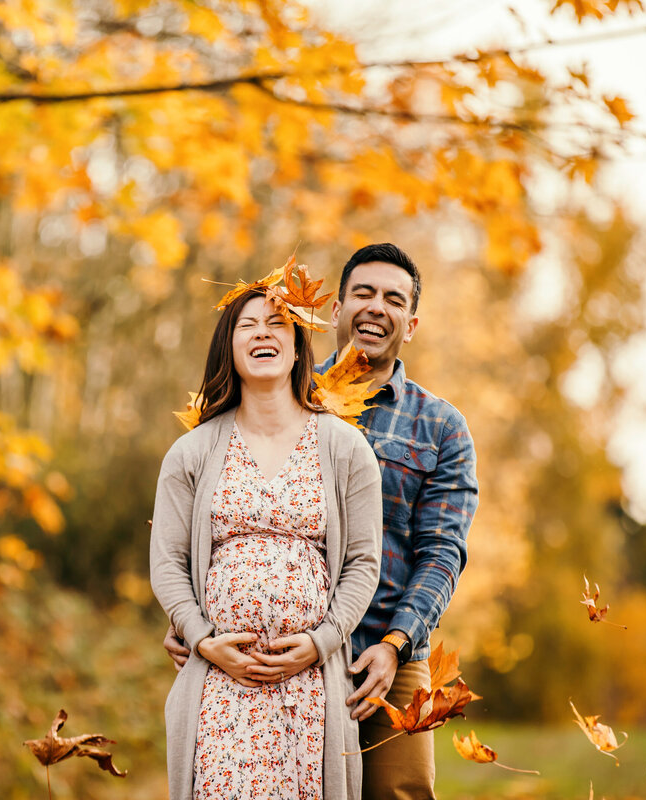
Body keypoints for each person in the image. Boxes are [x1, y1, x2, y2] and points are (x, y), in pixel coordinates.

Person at [165, 244, 479, 800]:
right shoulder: (274, 383)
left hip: (381, 650)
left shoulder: (440, 427)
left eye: (393, 299)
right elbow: (198, 521)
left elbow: (442, 552)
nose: (375, 307)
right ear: (336, 310)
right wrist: (191, 617)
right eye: (362, 293)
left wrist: (397, 643)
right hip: (267, 654)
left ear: (411, 323)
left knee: (401, 793)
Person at [149, 286, 383, 800]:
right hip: (220, 689)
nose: (262, 333)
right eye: (246, 325)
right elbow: (167, 562)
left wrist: (321, 642)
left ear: (298, 348)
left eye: (277, 324)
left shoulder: (346, 448)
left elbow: (364, 563)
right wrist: (202, 639)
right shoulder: (191, 452)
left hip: (311, 688)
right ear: (228, 347)